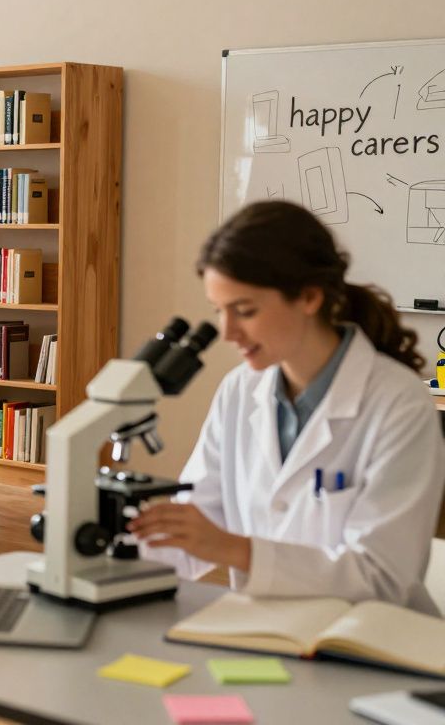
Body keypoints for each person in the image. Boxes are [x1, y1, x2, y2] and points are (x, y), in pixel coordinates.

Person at [129, 200, 445, 614]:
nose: (228, 332)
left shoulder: (399, 403)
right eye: (219, 312)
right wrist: (112, 553)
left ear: (309, 297)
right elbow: (196, 521)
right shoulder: (240, 390)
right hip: (267, 630)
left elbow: (382, 578)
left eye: (245, 310)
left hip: (370, 640)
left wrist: (238, 550)